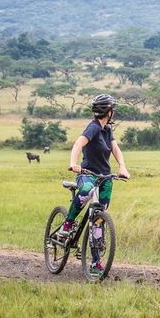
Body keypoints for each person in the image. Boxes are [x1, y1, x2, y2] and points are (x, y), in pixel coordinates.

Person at [56, 94, 130, 273]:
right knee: (86, 190)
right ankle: (67, 225)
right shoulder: (93, 128)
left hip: (104, 178)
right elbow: (78, 144)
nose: (114, 112)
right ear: (108, 111)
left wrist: (122, 166)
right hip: (88, 174)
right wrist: (74, 164)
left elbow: (115, 148)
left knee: (98, 219)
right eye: (113, 109)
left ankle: (95, 263)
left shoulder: (107, 130)